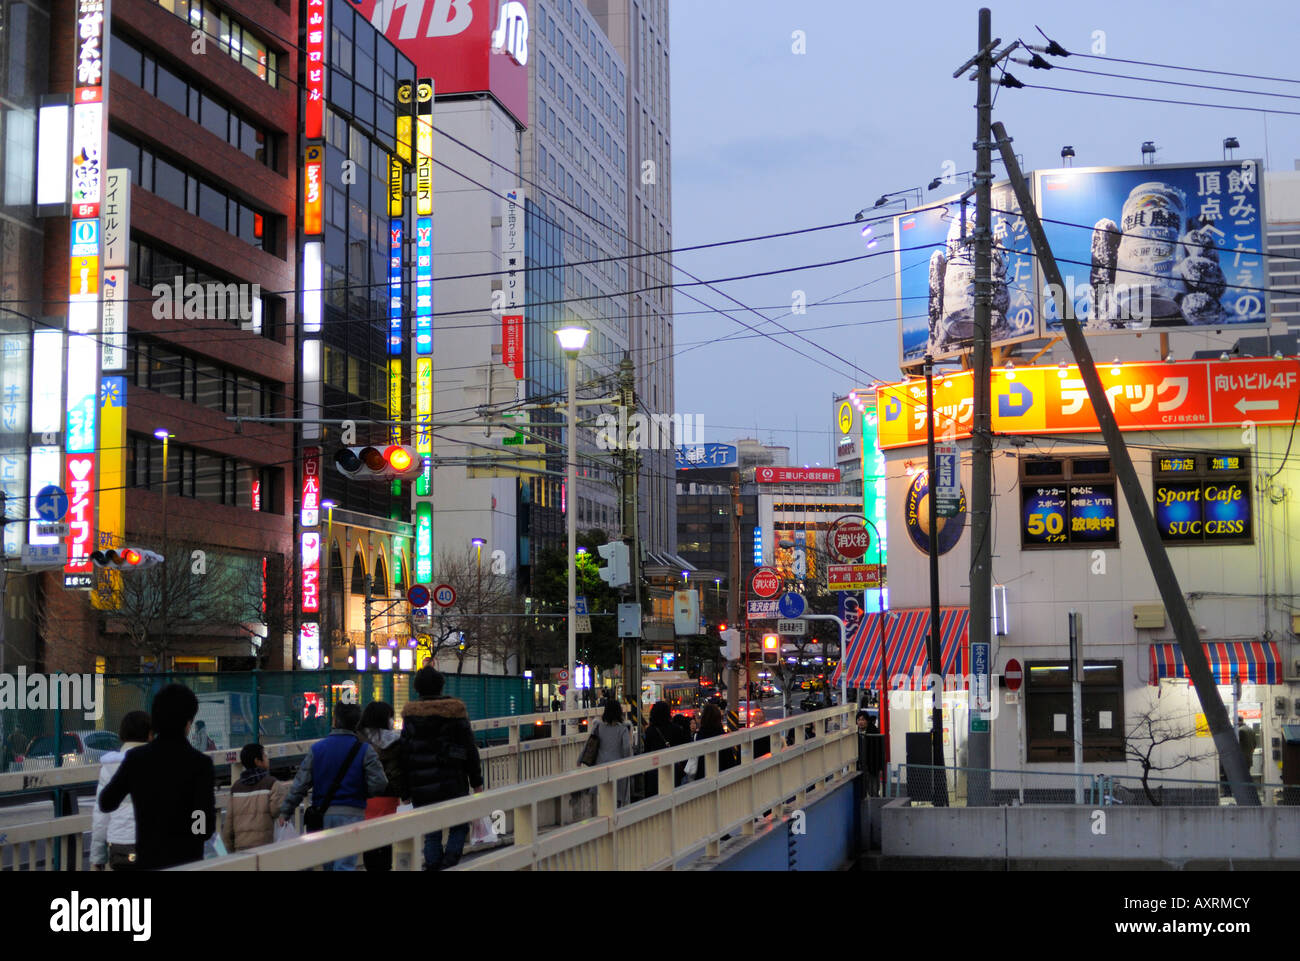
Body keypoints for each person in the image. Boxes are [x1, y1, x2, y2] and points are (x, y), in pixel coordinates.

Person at [98, 685, 216, 870]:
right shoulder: (200, 764)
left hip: (148, 858)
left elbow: (107, 802)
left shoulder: (136, 759)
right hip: (188, 859)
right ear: (188, 723)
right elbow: (204, 825)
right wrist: (192, 833)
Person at [279, 701, 388, 871]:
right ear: (356, 723)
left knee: (328, 864)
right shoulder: (365, 750)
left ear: (335, 721)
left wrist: (286, 811)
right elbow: (380, 783)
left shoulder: (317, 749)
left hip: (322, 814)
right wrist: (361, 792)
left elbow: (299, 785)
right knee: (345, 865)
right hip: (353, 813)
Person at [399, 665, 485, 870]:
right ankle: (448, 863)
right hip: (452, 781)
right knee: (460, 824)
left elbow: (403, 755)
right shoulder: (455, 713)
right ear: (441, 686)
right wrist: (477, 782)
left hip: (421, 785)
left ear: (417, 688)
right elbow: (469, 750)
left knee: (432, 831)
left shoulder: (410, 716)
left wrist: (405, 791)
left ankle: (433, 865)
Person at [91, 710, 151, 871]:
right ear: (150, 735)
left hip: (120, 845)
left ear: (122, 736)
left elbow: (101, 816)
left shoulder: (109, 767)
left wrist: (98, 857)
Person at [358, 701, 404, 872]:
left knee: (369, 844)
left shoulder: (357, 740)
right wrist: (405, 794)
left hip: (364, 798)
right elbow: (399, 773)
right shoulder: (396, 742)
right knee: (386, 843)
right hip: (389, 797)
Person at [222, 742, 289, 853]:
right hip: (265, 848)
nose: (267, 758)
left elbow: (228, 826)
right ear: (257, 761)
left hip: (241, 850)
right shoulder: (272, 784)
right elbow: (276, 811)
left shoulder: (236, 787)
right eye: (265, 755)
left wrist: (229, 851)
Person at [590, 698, 633, 805]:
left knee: (603, 797)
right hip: (618, 767)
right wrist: (629, 760)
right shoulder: (623, 729)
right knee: (617, 797)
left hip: (601, 767)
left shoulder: (598, 726)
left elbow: (590, 744)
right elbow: (626, 748)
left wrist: (581, 759)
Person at [643, 701, 688, 794]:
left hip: (654, 769)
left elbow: (646, 751)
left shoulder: (650, 731)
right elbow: (683, 751)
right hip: (672, 768)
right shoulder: (676, 729)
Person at [696, 703, 739, 774]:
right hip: (721, 773)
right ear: (718, 718)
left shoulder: (700, 735)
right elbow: (729, 760)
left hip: (703, 775)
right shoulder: (721, 735)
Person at [856, 710, 883, 797]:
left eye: (863, 720)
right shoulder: (857, 733)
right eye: (859, 720)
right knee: (865, 790)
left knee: (873, 790)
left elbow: (879, 751)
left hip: (873, 766)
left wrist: (880, 767)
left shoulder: (874, 732)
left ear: (867, 721)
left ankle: (875, 807)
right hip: (863, 765)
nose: (861, 722)